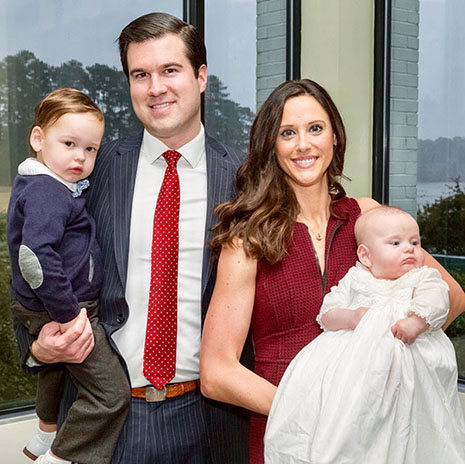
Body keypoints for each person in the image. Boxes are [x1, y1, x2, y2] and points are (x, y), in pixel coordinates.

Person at [13, 12, 250, 464]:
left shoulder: (243, 178)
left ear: (201, 77)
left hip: (212, 420)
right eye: (140, 74)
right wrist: (38, 349)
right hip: (105, 416)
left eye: (170, 70)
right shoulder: (92, 170)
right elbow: (34, 259)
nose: (155, 87)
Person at [199, 79, 465, 464]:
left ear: (335, 137)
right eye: (287, 133)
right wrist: (313, 415)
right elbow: (216, 372)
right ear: (272, 146)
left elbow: (453, 298)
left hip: (374, 441)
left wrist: (394, 352)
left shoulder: (368, 217)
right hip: (284, 435)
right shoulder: (247, 238)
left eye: (315, 129)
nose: (303, 144)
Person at [264, 206, 465, 463]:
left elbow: (437, 301)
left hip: (412, 372)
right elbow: (328, 311)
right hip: (358, 372)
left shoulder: (422, 277)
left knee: (417, 428)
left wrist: (415, 323)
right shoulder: (356, 278)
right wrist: (352, 317)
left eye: (415, 242)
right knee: (354, 426)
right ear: (366, 255)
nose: (410, 248)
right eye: (396, 242)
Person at [7, 88, 130, 464]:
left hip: (44, 306)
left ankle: (44, 434)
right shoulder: (49, 191)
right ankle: (58, 457)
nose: (80, 156)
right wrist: (68, 312)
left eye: (90, 149)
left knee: (57, 369)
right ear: (38, 139)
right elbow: (34, 257)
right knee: (111, 395)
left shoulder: (48, 185)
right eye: (70, 143)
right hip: (66, 307)